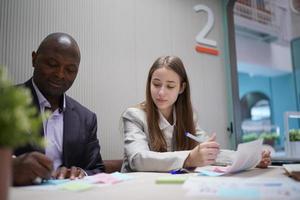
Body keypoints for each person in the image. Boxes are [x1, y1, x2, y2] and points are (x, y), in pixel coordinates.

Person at [121, 55, 271, 172]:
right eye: (156, 84)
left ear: (181, 88)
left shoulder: (187, 117)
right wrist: (189, 159)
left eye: (170, 86)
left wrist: (249, 158)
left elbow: (208, 152)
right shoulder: (134, 116)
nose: (161, 92)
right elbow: (138, 159)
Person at [13, 32, 105, 186]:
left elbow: (97, 169)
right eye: (52, 64)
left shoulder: (86, 118)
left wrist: (81, 173)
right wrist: (9, 167)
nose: (60, 74)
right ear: (34, 59)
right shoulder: (6, 102)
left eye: (70, 70)